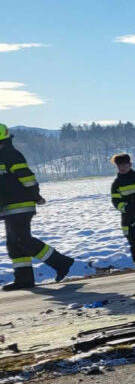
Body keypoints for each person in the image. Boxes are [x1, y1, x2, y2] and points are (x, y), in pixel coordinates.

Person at [0, 122, 74, 290]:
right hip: (9, 207)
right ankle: (24, 280)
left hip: (20, 205)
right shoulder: (3, 155)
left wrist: (36, 197)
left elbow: (28, 179)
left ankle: (61, 262)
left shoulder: (11, 155)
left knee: (22, 239)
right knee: (14, 243)